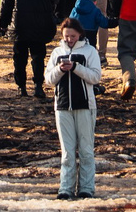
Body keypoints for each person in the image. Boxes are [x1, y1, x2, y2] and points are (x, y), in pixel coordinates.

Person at [46, 15, 103, 200]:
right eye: (66, 36)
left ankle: (86, 187)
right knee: (67, 151)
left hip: (85, 106)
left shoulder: (90, 51)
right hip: (62, 107)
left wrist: (76, 67)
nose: (69, 39)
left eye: (72, 36)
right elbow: (48, 80)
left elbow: (95, 77)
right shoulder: (56, 53)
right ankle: (65, 188)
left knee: (86, 150)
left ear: (79, 34)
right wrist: (60, 70)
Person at [3, 0, 62, 96]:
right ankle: (38, 86)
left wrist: (3, 23)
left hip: (19, 24)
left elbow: (6, 0)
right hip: (40, 24)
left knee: (19, 57)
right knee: (38, 56)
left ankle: (21, 87)